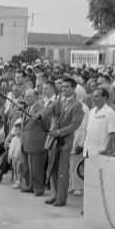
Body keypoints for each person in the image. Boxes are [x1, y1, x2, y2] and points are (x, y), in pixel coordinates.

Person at [40, 77, 84, 207]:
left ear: (74, 88)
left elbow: (74, 125)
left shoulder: (77, 105)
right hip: (53, 140)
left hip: (64, 141)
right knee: (52, 168)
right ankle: (54, 195)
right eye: (62, 86)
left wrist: (58, 133)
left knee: (62, 171)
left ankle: (61, 198)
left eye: (67, 87)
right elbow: (49, 109)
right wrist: (39, 115)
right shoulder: (59, 100)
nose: (63, 89)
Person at [20, 89, 51, 196]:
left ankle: (38, 188)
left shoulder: (42, 109)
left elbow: (48, 125)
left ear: (36, 97)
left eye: (29, 96)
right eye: (25, 96)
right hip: (26, 142)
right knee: (27, 167)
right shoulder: (28, 108)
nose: (26, 98)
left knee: (36, 168)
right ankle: (29, 186)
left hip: (37, 143)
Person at [82, 88, 115, 158]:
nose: (93, 99)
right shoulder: (91, 111)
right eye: (93, 96)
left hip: (101, 152)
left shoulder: (110, 113)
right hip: (87, 150)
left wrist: (107, 150)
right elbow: (88, 131)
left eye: (96, 96)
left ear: (104, 98)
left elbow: (112, 134)